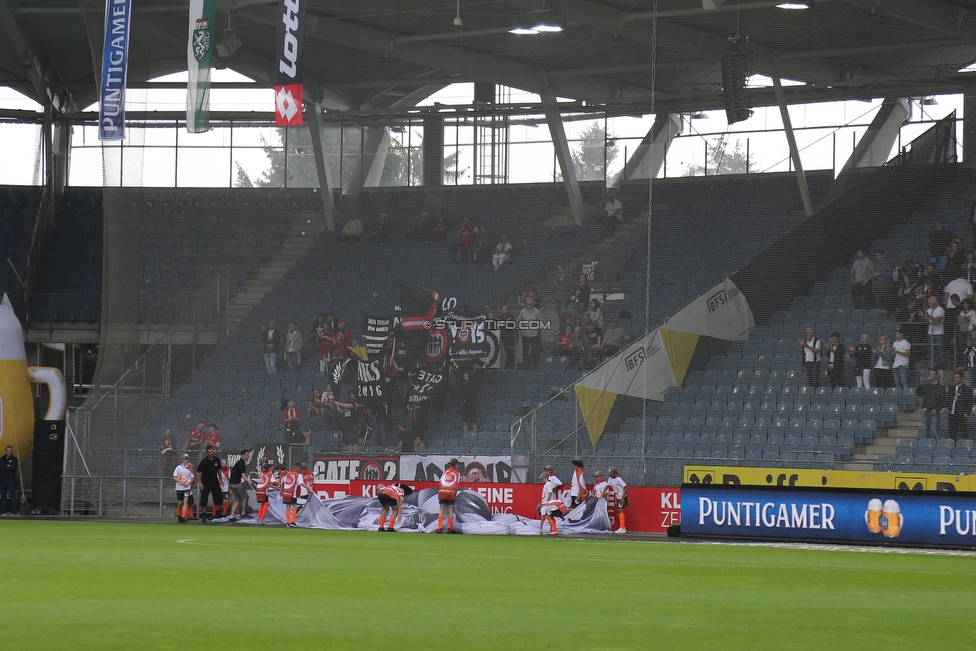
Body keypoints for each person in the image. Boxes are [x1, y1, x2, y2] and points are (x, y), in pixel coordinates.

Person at [195, 445, 223, 523]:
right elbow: (198, 472)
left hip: (215, 482)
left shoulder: (217, 460)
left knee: (218, 496)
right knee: (204, 498)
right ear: (207, 453)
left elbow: (219, 470)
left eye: (212, 451)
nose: (211, 453)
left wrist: (220, 479)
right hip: (205, 483)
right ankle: (204, 514)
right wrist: (200, 483)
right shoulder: (204, 462)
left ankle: (217, 513)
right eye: (210, 452)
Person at [918, 370, 946, 439]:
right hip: (926, 412)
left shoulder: (941, 388)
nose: (932, 375)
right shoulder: (926, 387)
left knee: (936, 432)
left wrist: (937, 410)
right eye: (930, 374)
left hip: (935, 413)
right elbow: (918, 393)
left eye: (933, 374)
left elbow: (943, 400)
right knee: (925, 431)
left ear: (936, 375)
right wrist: (920, 384)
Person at [948, 371, 975, 440]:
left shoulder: (967, 389)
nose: (956, 379)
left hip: (961, 414)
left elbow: (970, 402)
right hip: (952, 414)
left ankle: (965, 448)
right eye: (955, 377)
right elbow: (947, 400)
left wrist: (967, 412)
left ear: (962, 378)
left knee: (963, 432)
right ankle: (953, 448)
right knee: (952, 433)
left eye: (957, 377)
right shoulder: (951, 389)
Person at [538, 466, 564, 536]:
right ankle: (552, 529)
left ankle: (550, 529)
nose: (542, 480)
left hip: (549, 503)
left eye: (542, 478)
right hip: (548, 503)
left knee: (548, 516)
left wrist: (547, 502)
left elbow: (550, 492)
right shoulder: (547, 484)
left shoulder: (549, 483)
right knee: (549, 516)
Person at [228, 449, 253, 522]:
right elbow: (242, 475)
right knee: (245, 496)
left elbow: (241, 473)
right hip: (236, 484)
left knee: (237, 501)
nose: (248, 456)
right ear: (243, 455)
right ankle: (243, 513)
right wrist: (249, 481)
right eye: (247, 454)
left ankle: (232, 516)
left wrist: (247, 475)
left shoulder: (239, 463)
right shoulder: (241, 463)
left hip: (232, 484)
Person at [437, 458, 460, 533]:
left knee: (441, 509)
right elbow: (456, 483)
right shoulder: (457, 473)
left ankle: (439, 528)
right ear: (456, 465)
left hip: (442, 491)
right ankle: (450, 528)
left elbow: (440, 482)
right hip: (450, 492)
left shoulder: (445, 472)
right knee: (450, 509)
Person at [518, 297, 542, 370]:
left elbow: (541, 323)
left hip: (534, 335)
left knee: (535, 352)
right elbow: (519, 321)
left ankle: (536, 367)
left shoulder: (537, 311)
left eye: (528, 304)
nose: (527, 305)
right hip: (525, 335)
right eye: (526, 304)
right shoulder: (522, 311)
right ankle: (526, 368)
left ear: (532, 304)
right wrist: (521, 330)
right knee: (525, 352)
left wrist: (535, 322)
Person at [922, 296, 945, 369]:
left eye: (930, 302)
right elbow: (926, 321)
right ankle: (934, 364)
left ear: (934, 302)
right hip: (930, 332)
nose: (929, 304)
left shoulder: (940, 309)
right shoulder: (929, 310)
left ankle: (942, 363)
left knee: (940, 348)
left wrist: (929, 317)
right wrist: (923, 317)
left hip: (938, 333)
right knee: (933, 349)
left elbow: (938, 319)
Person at [173, 453, 195, 523]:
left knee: (186, 501)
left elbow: (192, 478)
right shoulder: (178, 468)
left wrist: (188, 483)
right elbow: (174, 477)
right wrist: (181, 482)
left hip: (187, 488)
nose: (186, 460)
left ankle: (183, 515)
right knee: (180, 502)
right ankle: (179, 515)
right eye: (184, 459)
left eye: (187, 458)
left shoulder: (190, 468)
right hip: (179, 487)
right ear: (182, 459)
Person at [279, 462, 303, 527]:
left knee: (288, 506)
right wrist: (309, 488)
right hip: (292, 492)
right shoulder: (297, 474)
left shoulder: (288, 473)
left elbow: (282, 482)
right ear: (298, 467)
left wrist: (282, 491)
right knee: (294, 505)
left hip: (286, 492)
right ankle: (292, 521)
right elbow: (301, 483)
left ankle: (288, 522)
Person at [0, 446, 20, 516]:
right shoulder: (2, 459)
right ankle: (3, 511)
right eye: (8, 451)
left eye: (10, 451)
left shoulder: (14, 459)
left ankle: (14, 511)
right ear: (5, 451)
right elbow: (1, 466)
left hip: (11, 480)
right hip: (2, 480)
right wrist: (7, 466)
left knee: (13, 496)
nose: (9, 452)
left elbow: (13, 468)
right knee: (3, 496)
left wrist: (5, 467)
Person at [607, 467, 628, 533]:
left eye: (611, 474)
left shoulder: (619, 479)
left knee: (620, 510)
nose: (610, 475)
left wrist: (622, 497)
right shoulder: (610, 479)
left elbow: (626, 487)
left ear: (614, 473)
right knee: (619, 510)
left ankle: (622, 527)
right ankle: (622, 527)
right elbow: (607, 485)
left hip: (621, 497)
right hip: (617, 497)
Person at [254, 458, 274, 525]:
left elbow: (268, 482)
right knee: (265, 504)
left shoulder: (264, 473)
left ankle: (259, 518)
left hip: (259, 489)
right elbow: (273, 481)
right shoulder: (269, 473)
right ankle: (261, 519)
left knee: (263, 504)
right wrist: (281, 484)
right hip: (264, 490)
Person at [460, 371, 478, 436]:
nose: (465, 378)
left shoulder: (472, 383)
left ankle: (475, 433)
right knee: (465, 421)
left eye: (466, 376)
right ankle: (465, 434)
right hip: (465, 404)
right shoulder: (463, 384)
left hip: (472, 404)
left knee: (473, 421)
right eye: (464, 377)